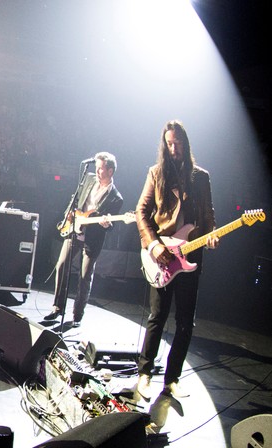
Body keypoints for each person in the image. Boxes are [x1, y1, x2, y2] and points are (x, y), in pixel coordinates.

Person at [135, 120, 217, 400]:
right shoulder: (156, 173)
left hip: (191, 256)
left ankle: (172, 379)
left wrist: (213, 234)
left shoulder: (201, 177)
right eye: (169, 143)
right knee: (157, 316)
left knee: (185, 322)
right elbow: (141, 212)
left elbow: (208, 216)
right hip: (163, 255)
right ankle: (145, 374)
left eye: (178, 142)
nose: (174, 148)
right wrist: (154, 246)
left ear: (186, 142)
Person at [45, 152, 123, 327]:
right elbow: (74, 200)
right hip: (75, 230)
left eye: (101, 168)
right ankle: (58, 307)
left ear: (110, 171)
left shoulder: (116, 197)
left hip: (93, 238)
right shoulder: (88, 179)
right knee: (62, 265)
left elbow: (111, 225)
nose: (97, 171)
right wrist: (69, 215)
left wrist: (106, 223)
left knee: (84, 276)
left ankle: (77, 315)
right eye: (96, 168)